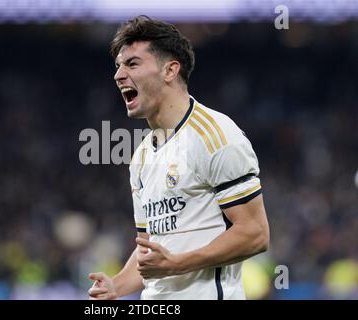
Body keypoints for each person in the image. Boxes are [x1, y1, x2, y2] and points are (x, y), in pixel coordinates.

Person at [88, 15, 270, 300]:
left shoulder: (216, 135)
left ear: (170, 70)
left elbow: (255, 233)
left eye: (132, 64)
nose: (118, 75)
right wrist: (117, 285)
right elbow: (151, 248)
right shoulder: (142, 155)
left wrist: (177, 265)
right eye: (118, 66)